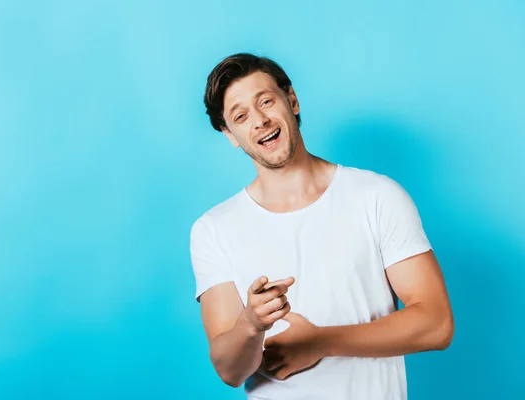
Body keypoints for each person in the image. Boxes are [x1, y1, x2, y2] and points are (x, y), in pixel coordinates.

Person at [189, 53, 454, 400]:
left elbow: (436, 324)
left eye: (266, 101)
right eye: (241, 116)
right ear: (231, 135)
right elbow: (229, 370)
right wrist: (251, 324)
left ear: (292, 100)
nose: (259, 121)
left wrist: (320, 341)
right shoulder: (213, 229)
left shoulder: (376, 197)